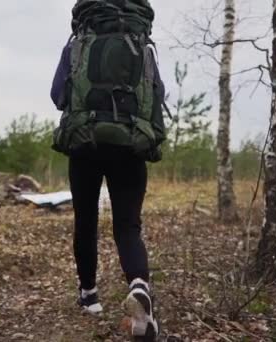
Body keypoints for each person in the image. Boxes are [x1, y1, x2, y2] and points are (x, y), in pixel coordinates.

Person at [50, 0, 165, 340]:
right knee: (128, 225)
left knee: (85, 221)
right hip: (130, 145)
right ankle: (139, 285)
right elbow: (157, 95)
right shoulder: (141, 46)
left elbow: (58, 95)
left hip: (85, 142)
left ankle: (89, 296)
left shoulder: (77, 45)